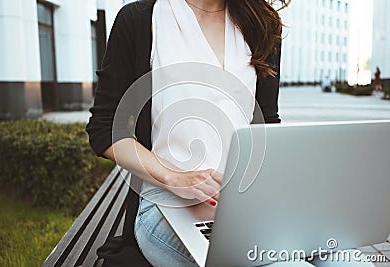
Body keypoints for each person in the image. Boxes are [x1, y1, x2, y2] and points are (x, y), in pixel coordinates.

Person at [86, 1, 374, 266]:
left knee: (350, 260)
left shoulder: (261, 26)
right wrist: (172, 177)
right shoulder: (141, 19)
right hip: (167, 207)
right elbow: (105, 128)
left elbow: (266, 125)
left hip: (248, 204)